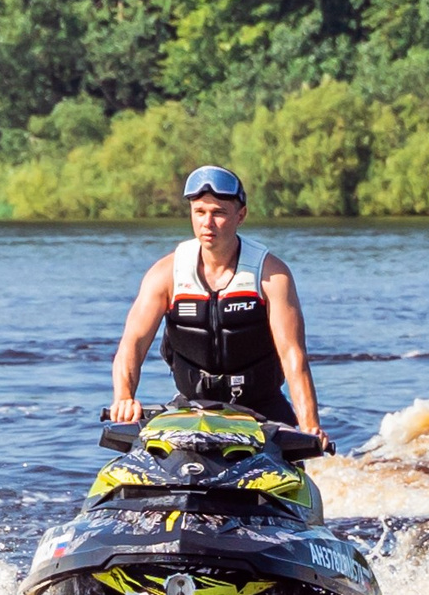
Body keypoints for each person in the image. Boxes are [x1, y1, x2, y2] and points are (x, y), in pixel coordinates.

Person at [109, 165, 327, 442]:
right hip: (190, 410)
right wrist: (124, 398)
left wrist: (309, 426)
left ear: (241, 215)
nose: (207, 223)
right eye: (199, 212)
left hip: (263, 410)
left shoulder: (271, 274)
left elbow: (293, 356)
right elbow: (132, 344)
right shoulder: (166, 273)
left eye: (218, 213)